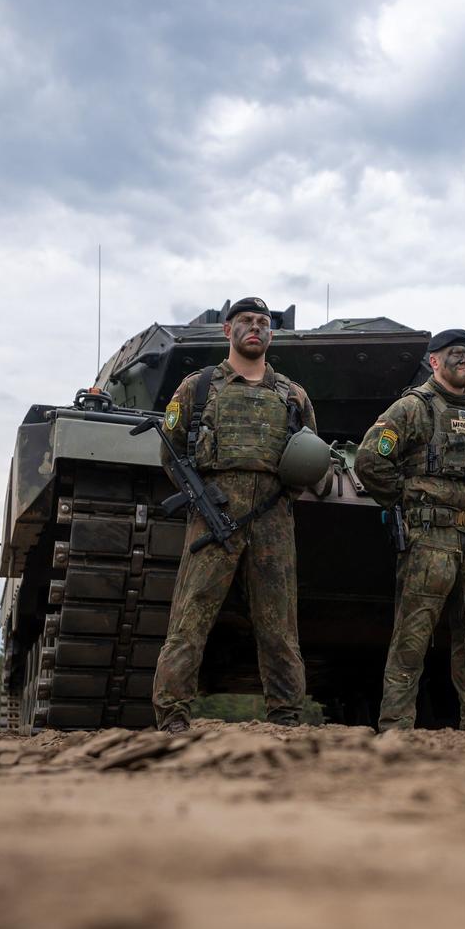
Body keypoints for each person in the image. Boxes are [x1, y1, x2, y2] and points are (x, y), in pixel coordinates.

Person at [150, 297, 318, 732]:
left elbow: (308, 456)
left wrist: (280, 496)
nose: (255, 328)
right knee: (190, 617)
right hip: (214, 511)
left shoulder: (293, 395)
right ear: (228, 331)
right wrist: (200, 495)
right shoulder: (199, 387)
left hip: (272, 517)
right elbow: (171, 452)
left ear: (271, 335)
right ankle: (172, 717)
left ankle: (285, 718)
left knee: (279, 625)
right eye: (245, 321)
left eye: (263, 323)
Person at [355, 329, 465, 732]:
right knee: (412, 638)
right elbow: (371, 460)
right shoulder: (412, 408)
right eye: (455, 354)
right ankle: (396, 726)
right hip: (430, 541)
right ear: (435, 361)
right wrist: (407, 501)